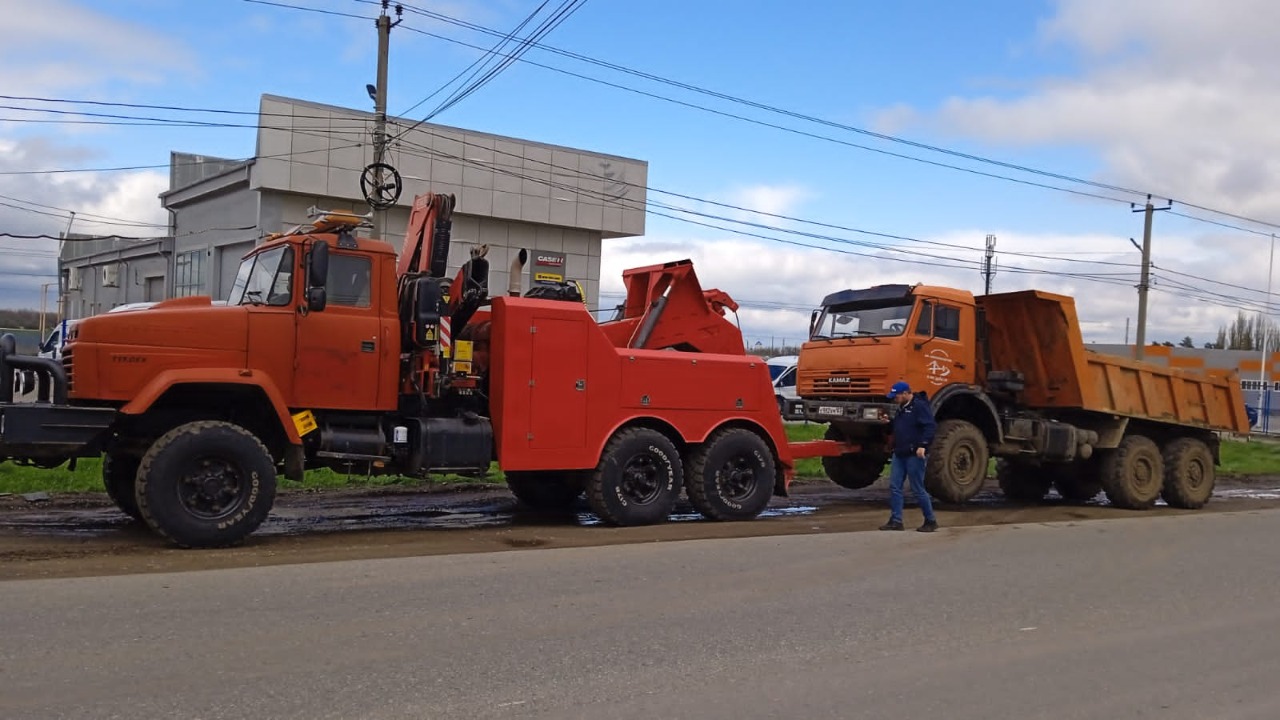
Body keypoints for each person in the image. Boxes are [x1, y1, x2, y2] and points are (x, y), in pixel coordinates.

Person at [879, 380, 939, 533]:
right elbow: (900, 427)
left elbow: (930, 426)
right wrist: (888, 423)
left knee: (917, 488)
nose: (894, 399)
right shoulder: (901, 408)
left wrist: (923, 445)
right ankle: (896, 520)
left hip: (914, 454)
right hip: (900, 453)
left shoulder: (919, 407)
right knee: (895, 486)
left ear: (906, 393)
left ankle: (930, 520)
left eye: (896, 396)